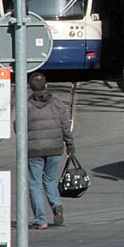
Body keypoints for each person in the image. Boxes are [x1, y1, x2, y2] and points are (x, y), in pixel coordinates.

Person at [27, 73, 74, 229]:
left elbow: (17, 126)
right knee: (50, 180)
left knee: (35, 183)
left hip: (34, 150)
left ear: (30, 88)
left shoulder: (26, 105)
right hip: (55, 148)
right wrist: (70, 146)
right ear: (46, 86)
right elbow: (66, 127)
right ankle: (56, 204)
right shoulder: (58, 104)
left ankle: (41, 219)